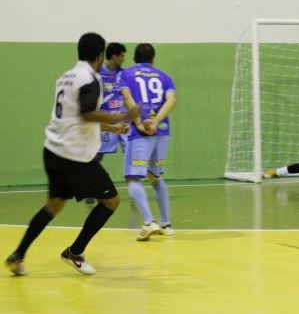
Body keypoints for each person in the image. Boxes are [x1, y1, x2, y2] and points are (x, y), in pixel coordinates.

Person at [5, 33, 140, 276]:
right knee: (110, 202)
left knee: (53, 206)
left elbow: (74, 117)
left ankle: (18, 255)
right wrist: (121, 117)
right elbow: (87, 114)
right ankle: (74, 252)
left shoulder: (65, 77)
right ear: (100, 55)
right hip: (75, 156)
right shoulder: (91, 78)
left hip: (53, 151)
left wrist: (111, 127)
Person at [118, 43, 177, 240]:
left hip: (140, 133)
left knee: (133, 177)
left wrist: (139, 122)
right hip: (161, 132)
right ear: (153, 59)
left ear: (134, 58)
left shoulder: (126, 74)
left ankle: (149, 222)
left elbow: (128, 99)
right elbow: (171, 100)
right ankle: (166, 224)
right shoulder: (164, 76)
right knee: (155, 176)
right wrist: (156, 121)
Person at [84, 42, 127, 206]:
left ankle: (134, 186)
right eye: (122, 55)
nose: (123, 59)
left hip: (121, 120)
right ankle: (90, 190)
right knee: (96, 155)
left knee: (130, 152)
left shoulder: (124, 74)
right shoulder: (97, 73)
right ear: (114, 56)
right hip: (104, 120)